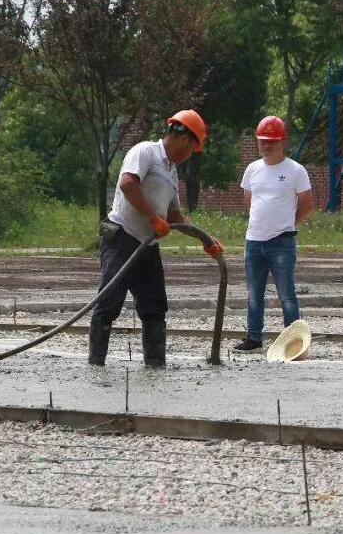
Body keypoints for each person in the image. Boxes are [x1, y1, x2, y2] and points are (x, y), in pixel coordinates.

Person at [88, 109, 222, 367]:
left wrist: (206, 240)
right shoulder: (145, 152)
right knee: (108, 302)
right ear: (184, 139)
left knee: (155, 307)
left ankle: (155, 365)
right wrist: (152, 217)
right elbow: (128, 184)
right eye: (191, 149)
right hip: (122, 237)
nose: (188, 157)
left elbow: (174, 214)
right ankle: (96, 365)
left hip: (147, 246)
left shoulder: (171, 172)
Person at [233, 115, 314, 352]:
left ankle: (293, 342)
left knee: (287, 294)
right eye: (263, 141)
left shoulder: (296, 170)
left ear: (282, 142)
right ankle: (254, 338)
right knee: (253, 294)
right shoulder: (252, 170)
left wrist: (289, 223)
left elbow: (307, 203)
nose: (266, 146)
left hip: (282, 242)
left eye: (272, 141)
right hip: (254, 241)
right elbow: (249, 201)